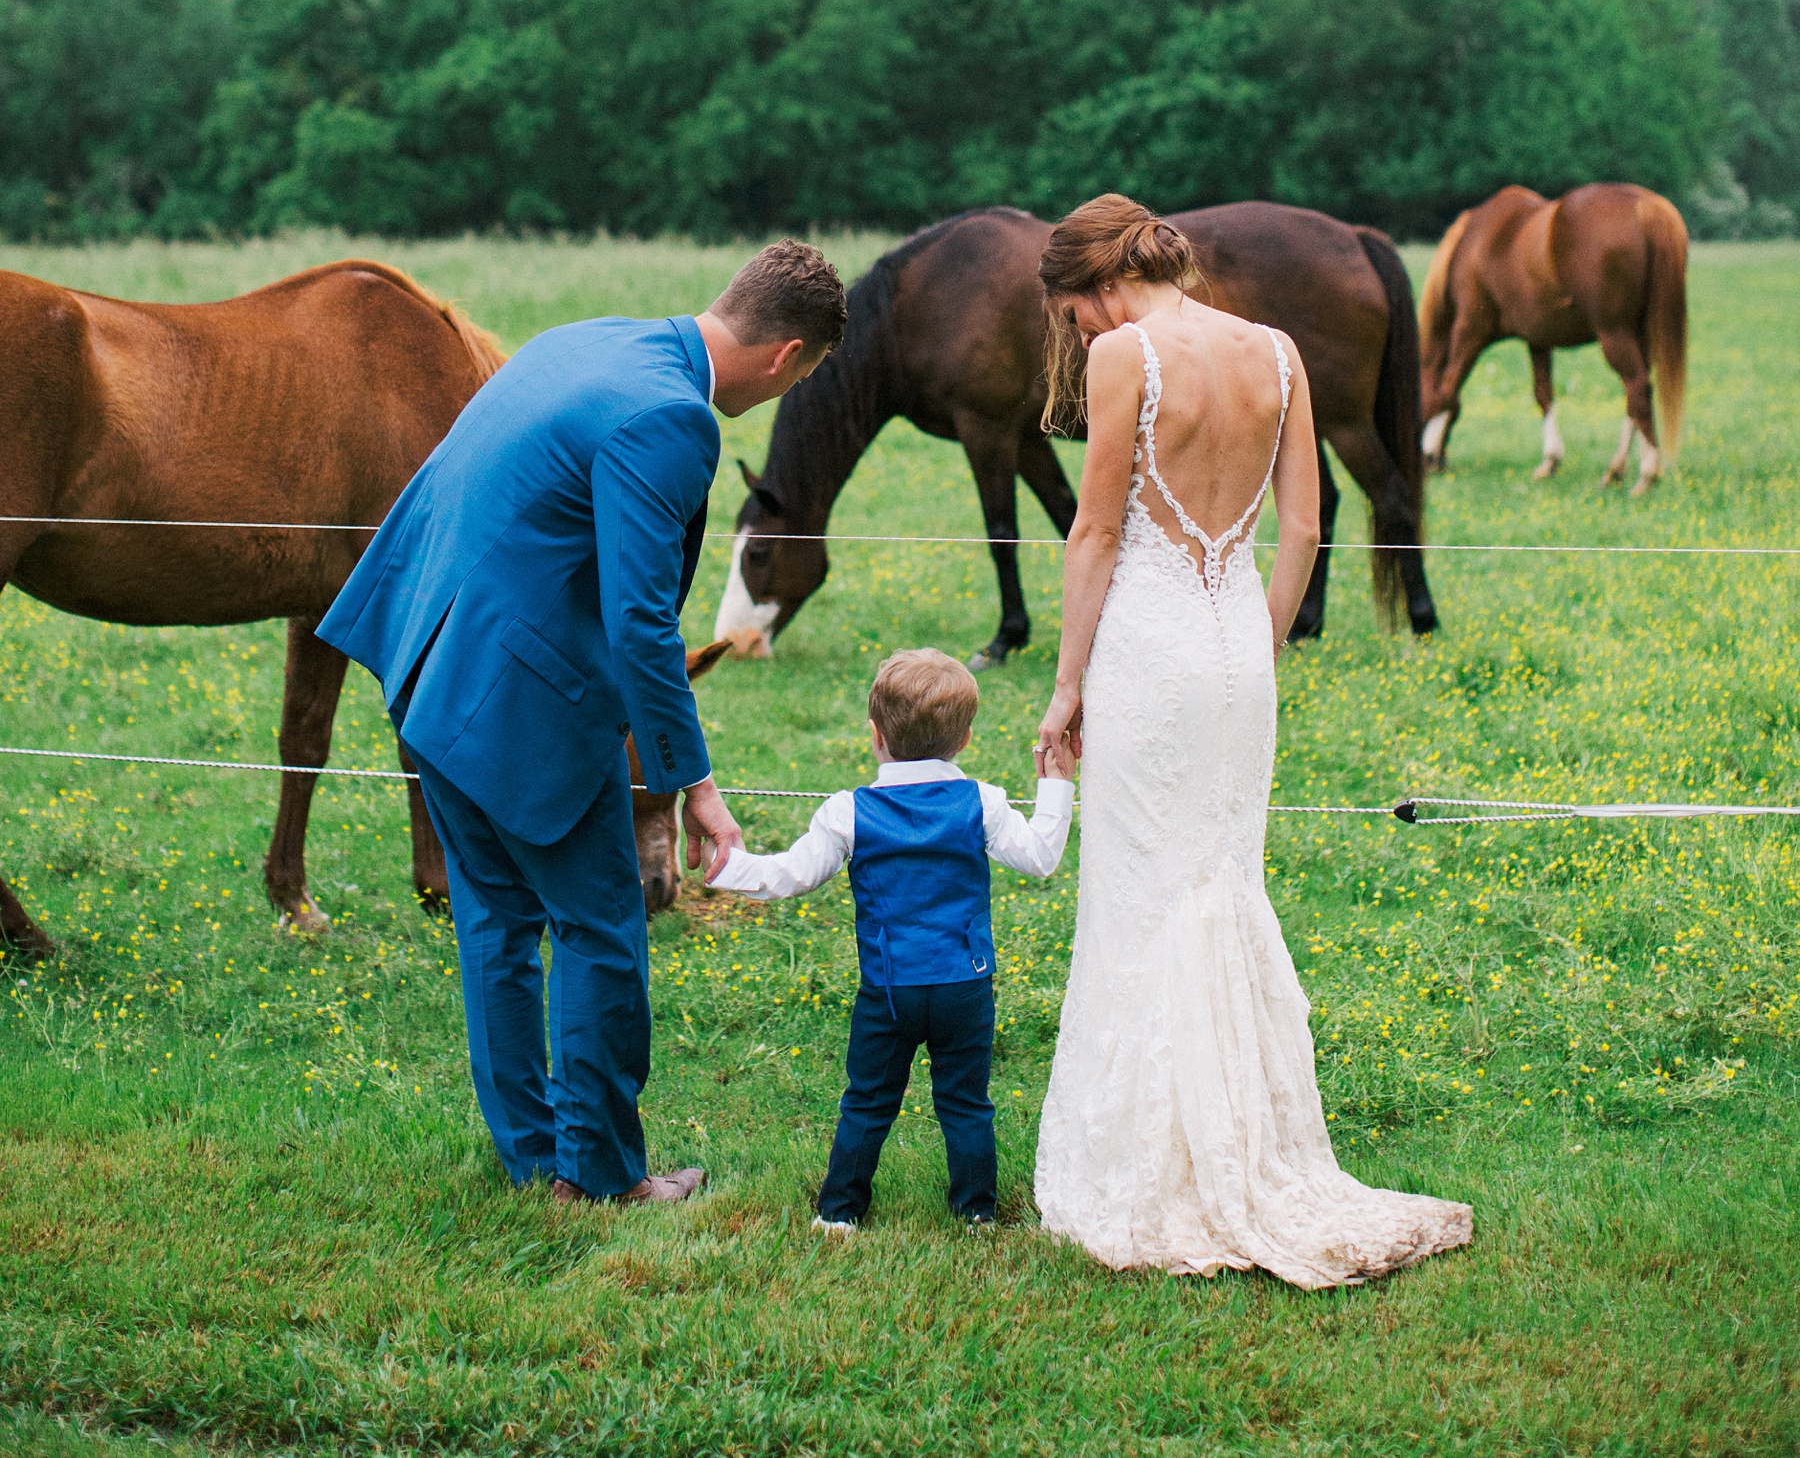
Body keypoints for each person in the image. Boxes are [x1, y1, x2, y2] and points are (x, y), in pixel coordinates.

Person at [318, 240, 847, 1208]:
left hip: (429, 655)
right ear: (787, 358)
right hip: (517, 697)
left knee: (496, 923)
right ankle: (601, 1177)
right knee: (601, 924)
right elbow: (641, 621)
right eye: (802, 378)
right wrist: (698, 786)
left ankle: (532, 1162)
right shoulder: (673, 418)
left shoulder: (591, 339)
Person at [1030, 195, 1471, 1285]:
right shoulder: (1276, 351)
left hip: (1147, 641)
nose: (1079, 336)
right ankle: (1246, 1144)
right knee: (1223, 875)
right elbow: (1308, 526)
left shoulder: (1128, 354)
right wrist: (1261, 640)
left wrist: (1065, 683)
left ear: (1096, 288)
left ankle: (1152, 1169)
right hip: (1234, 642)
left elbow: (1094, 531)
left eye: (1072, 316)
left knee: (1141, 890)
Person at [712, 648, 1074, 1230]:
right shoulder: (981, 801)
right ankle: (976, 1211)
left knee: (868, 1101)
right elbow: (1039, 858)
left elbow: (790, 875)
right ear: (966, 739)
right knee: (965, 1103)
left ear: (874, 735)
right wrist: (1055, 786)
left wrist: (725, 867)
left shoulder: (847, 811)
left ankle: (839, 1213)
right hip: (964, 984)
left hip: (888, 990)